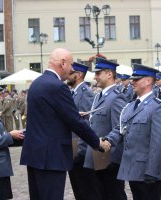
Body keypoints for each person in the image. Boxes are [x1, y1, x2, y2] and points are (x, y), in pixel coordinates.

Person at [20, 48, 110, 200]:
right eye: (70, 64)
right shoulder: (58, 86)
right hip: (51, 158)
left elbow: (46, 116)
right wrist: (97, 142)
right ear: (62, 63)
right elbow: (75, 122)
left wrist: (70, 115)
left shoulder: (37, 83)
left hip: (35, 156)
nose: (72, 69)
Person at [105, 64, 161, 200]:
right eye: (132, 79)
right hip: (132, 168)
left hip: (147, 171)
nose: (132, 82)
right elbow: (121, 128)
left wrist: (153, 170)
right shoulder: (130, 106)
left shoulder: (158, 107)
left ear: (148, 81)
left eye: (136, 79)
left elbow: (159, 143)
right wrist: (107, 140)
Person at [83, 57, 127, 200]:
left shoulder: (116, 98)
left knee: (114, 194)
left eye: (98, 73)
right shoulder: (98, 97)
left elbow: (120, 127)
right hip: (97, 157)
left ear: (109, 74)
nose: (95, 77)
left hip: (108, 160)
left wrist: (113, 161)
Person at [66, 62, 100, 200]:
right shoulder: (73, 93)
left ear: (78, 75)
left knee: (87, 191)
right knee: (78, 190)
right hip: (73, 150)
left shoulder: (85, 94)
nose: (67, 76)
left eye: (70, 73)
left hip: (81, 152)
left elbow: (87, 124)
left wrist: (81, 151)